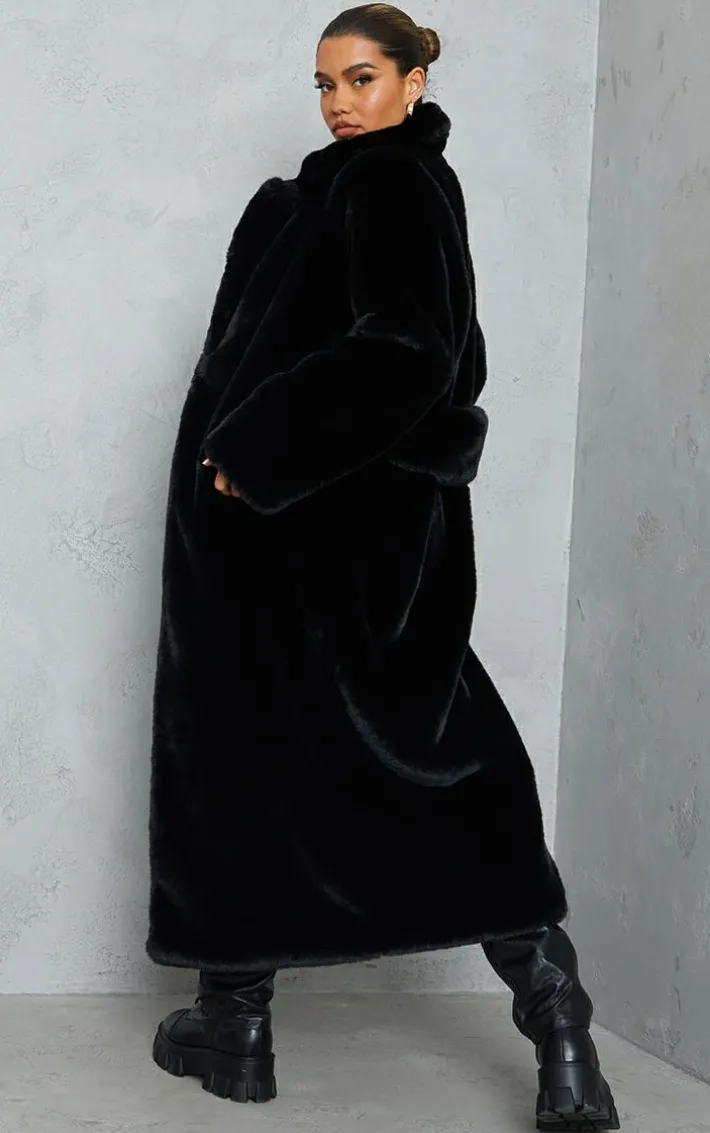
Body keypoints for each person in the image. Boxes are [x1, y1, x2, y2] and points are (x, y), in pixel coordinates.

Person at [145, 4, 619, 1129]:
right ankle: (238, 1021)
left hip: (333, 534)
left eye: (361, 78)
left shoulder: (393, 184)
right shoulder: (332, 194)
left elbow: (409, 352)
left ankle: (553, 1029)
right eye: (324, 83)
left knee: (380, 752)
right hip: (284, 539)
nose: (340, 102)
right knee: (272, 757)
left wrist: (257, 449)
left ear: (413, 82)